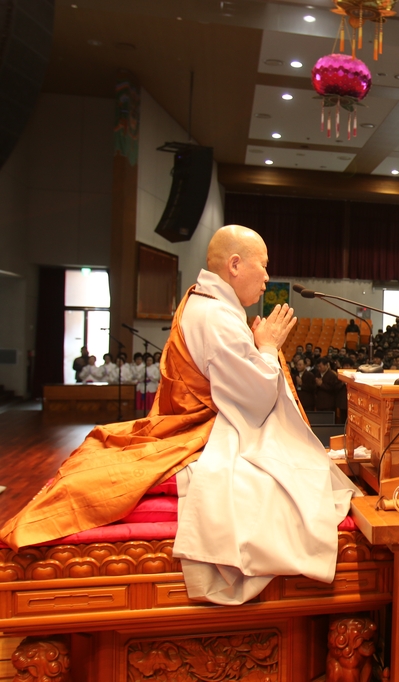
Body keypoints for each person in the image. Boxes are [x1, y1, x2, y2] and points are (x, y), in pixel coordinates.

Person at [1, 225, 360, 606]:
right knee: (296, 485)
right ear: (235, 265)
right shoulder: (218, 316)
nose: (268, 277)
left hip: (204, 417)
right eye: (264, 265)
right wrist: (268, 348)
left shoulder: (203, 301)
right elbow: (253, 401)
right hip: (204, 428)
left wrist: (256, 348)